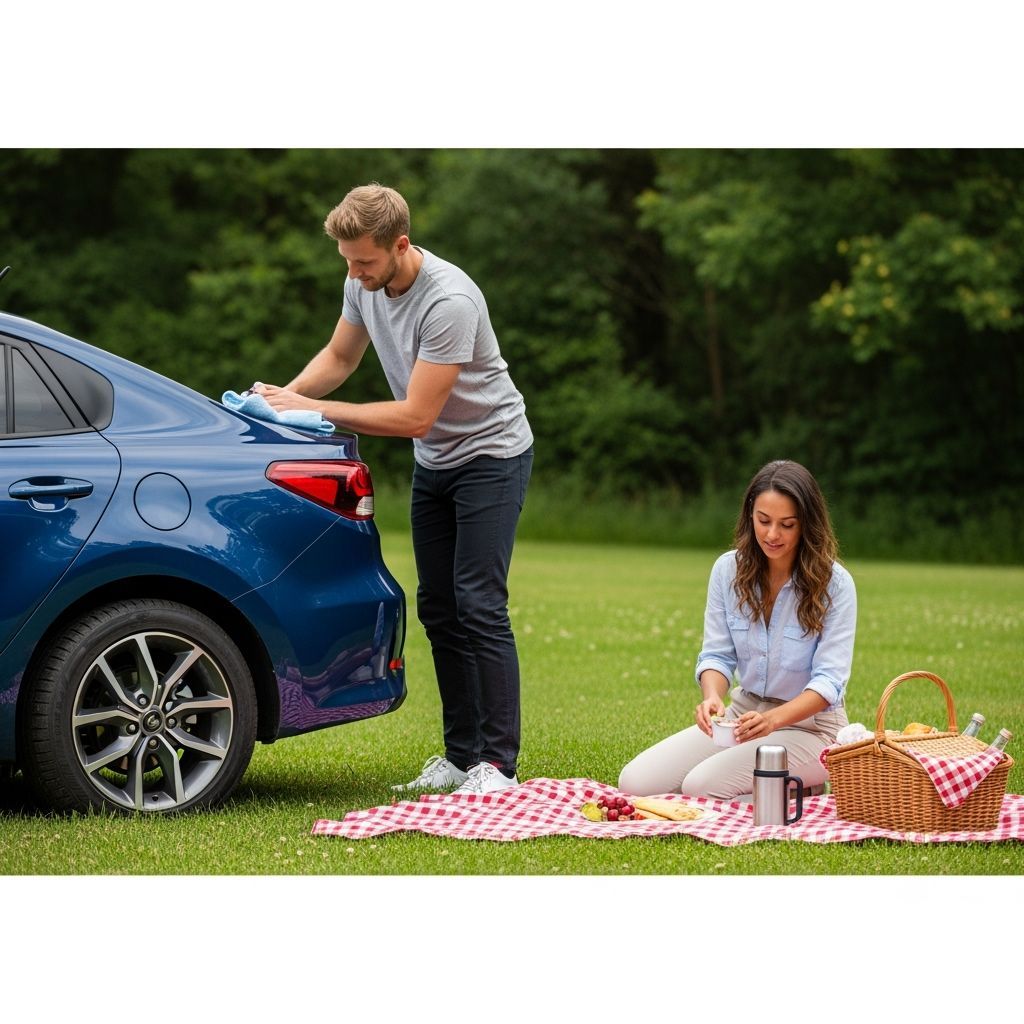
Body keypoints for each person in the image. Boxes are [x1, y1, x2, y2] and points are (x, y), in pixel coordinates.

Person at [257, 183, 534, 796]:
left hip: (492, 455)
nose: (353, 273)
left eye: (364, 261)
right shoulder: (362, 281)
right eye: (348, 261)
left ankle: (499, 766)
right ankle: (462, 759)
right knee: (437, 606)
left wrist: (315, 411)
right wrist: (284, 401)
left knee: (479, 603)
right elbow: (339, 355)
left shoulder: (450, 301)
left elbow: (415, 417)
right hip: (436, 462)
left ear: (400, 245)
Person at [618, 459, 855, 800]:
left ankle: (801, 786)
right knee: (635, 783)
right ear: (749, 516)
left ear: (807, 525)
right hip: (743, 717)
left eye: (787, 525)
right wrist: (712, 696)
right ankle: (782, 785)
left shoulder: (836, 585)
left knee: (701, 786)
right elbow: (716, 654)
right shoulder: (728, 570)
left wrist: (773, 720)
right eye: (763, 521)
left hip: (812, 731)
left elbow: (829, 682)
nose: (772, 535)